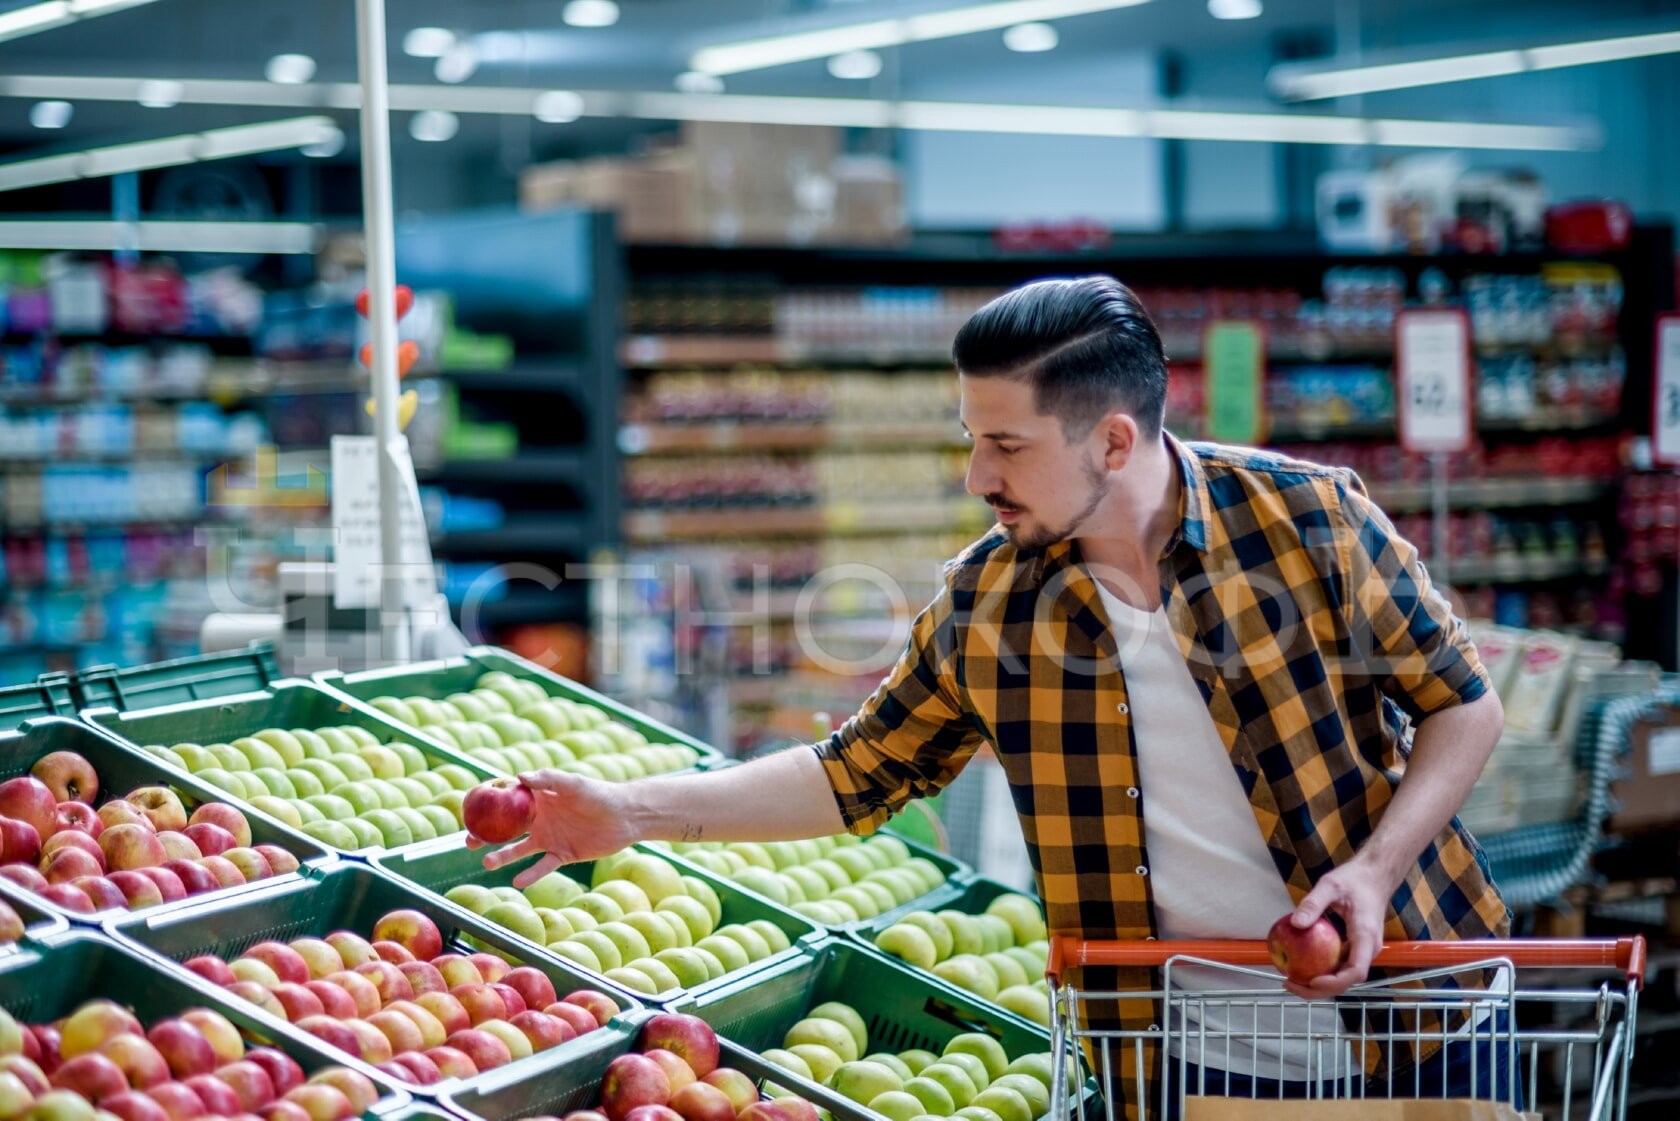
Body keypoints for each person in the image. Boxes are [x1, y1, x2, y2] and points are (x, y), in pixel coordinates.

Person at [481, 275, 1513, 1118]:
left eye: (1008, 445)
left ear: (1114, 440)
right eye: (972, 436)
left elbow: (1463, 703)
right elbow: (856, 774)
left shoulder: (1306, 520)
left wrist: (1373, 874)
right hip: (1187, 1063)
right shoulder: (993, 598)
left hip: (1418, 1021)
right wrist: (632, 811)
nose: (979, 472)